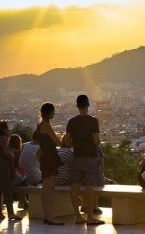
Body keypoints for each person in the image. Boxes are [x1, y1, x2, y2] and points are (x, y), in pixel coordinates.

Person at [63, 95, 104, 225]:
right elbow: (96, 141)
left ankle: (77, 216)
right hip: (90, 156)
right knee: (89, 186)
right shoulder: (93, 121)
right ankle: (90, 217)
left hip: (77, 156)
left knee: (74, 186)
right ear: (88, 105)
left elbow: (67, 141)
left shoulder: (71, 122)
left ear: (77, 106)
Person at [33, 102, 63, 225]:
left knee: (46, 188)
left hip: (45, 157)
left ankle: (47, 216)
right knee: (50, 189)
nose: (54, 114)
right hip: (50, 157)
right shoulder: (46, 126)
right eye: (53, 111)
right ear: (50, 112)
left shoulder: (40, 125)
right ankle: (50, 216)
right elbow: (58, 142)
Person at [0, 121, 22, 221]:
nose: (8, 130)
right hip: (2, 167)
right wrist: (12, 156)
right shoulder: (3, 138)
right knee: (7, 190)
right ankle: (11, 213)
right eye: (7, 128)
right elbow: (6, 151)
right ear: (4, 129)